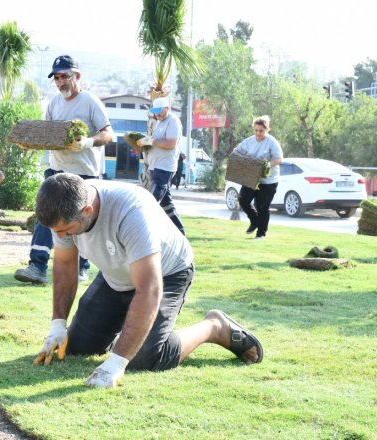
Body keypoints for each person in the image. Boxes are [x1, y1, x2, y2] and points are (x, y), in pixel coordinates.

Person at [31, 174, 263, 388]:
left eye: (66, 231)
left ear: (87, 210)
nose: (60, 237)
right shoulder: (63, 208)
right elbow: (64, 264)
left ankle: (214, 327)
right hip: (117, 276)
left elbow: (149, 289)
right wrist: (57, 324)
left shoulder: (131, 212)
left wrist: (116, 363)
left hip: (166, 274)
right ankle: (128, 332)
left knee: (143, 358)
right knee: (74, 348)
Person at [14, 54, 114, 286]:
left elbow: (108, 133)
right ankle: (37, 267)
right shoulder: (54, 103)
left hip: (84, 173)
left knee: (81, 219)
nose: (60, 82)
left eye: (65, 77)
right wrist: (29, 143)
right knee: (44, 214)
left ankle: (81, 268)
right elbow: (48, 134)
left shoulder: (90, 101)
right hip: (57, 170)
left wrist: (87, 142)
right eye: (57, 78)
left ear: (77, 76)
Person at [136, 97, 185, 235]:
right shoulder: (159, 122)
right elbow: (156, 143)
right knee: (166, 205)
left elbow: (170, 144)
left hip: (164, 168)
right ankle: (180, 234)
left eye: (159, 111)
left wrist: (151, 141)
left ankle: (145, 233)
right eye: (155, 112)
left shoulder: (173, 121)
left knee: (152, 202)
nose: (157, 114)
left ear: (167, 108)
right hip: (154, 167)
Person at [231, 115, 283, 239]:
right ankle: (254, 220)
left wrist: (266, 166)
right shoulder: (248, 141)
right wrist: (242, 161)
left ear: (267, 129)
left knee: (262, 207)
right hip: (251, 176)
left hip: (269, 180)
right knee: (243, 199)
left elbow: (279, 159)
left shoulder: (272, 142)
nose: (258, 133)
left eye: (261, 131)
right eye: (256, 130)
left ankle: (261, 234)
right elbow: (235, 152)